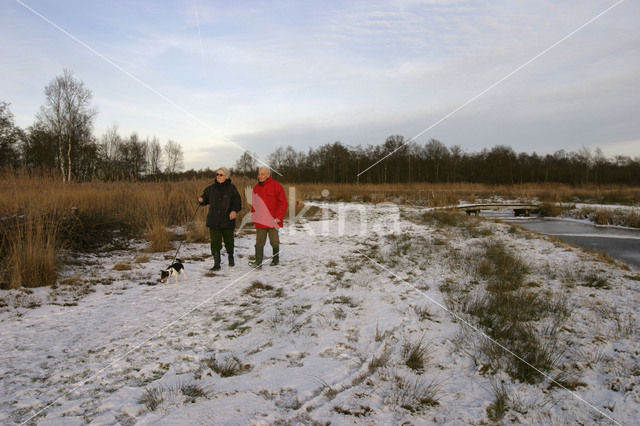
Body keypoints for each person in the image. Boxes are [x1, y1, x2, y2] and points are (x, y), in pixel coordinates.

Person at [198, 167, 241, 271]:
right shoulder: (210, 188)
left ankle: (231, 257)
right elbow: (204, 200)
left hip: (227, 220)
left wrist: (234, 211)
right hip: (214, 221)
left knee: (229, 241)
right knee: (215, 242)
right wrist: (201, 200)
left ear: (226, 176)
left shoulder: (232, 188)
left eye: (221, 174)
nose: (218, 176)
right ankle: (216, 264)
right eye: (217, 174)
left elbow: (238, 203)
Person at [249, 167, 288, 269]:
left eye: (262, 174)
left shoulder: (276, 186)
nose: (259, 176)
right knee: (259, 242)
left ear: (268, 175)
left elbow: (283, 203)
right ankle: (258, 262)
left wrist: (279, 217)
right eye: (259, 174)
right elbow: (254, 205)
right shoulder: (256, 188)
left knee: (274, 241)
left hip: (273, 220)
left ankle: (275, 259)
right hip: (261, 221)